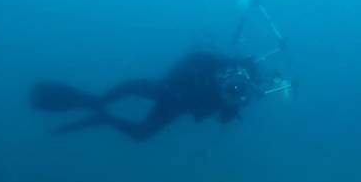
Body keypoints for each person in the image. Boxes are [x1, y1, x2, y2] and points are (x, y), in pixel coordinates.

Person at [29, 51, 288, 141]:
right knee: (123, 90)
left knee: (140, 134)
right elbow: (190, 68)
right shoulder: (217, 70)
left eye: (242, 92)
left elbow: (224, 116)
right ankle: (92, 103)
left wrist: (231, 108)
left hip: (175, 107)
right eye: (235, 86)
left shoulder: (243, 93)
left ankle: (103, 118)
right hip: (169, 90)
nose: (236, 91)